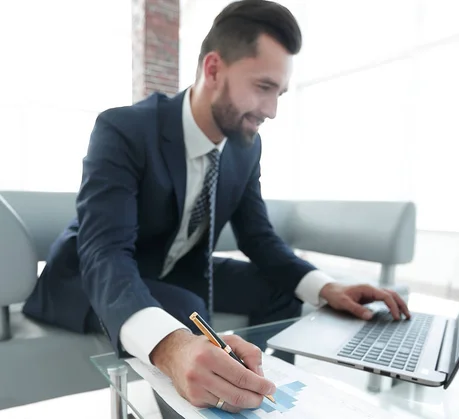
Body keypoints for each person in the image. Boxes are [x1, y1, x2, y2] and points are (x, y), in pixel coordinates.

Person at [22, 0, 410, 414]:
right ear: (213, 69)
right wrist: (170, 345)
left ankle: (265, 398)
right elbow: (105, 253)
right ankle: (210, 402)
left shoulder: (246, 147)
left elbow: (259, 238)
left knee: (280, 290)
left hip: (175, 269)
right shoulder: (124, 129)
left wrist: (325, 286)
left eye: (278, 93)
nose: (272, 111)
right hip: (88, 274)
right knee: (186, 309)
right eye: (263, 87)